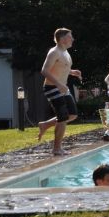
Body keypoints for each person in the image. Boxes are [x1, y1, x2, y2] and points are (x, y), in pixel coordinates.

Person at [37, 28, 82, 156]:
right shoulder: (54, 52)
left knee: (72, 115)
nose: (72, 39)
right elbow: (44, 71)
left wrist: (72, 72)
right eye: (70, 36)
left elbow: (62, 68)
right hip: (52, 87)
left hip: (62, 87)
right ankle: (56, 149)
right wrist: (58, 84)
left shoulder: (65, 52)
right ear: (62, 39)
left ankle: (45, 125)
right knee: (62, 118)